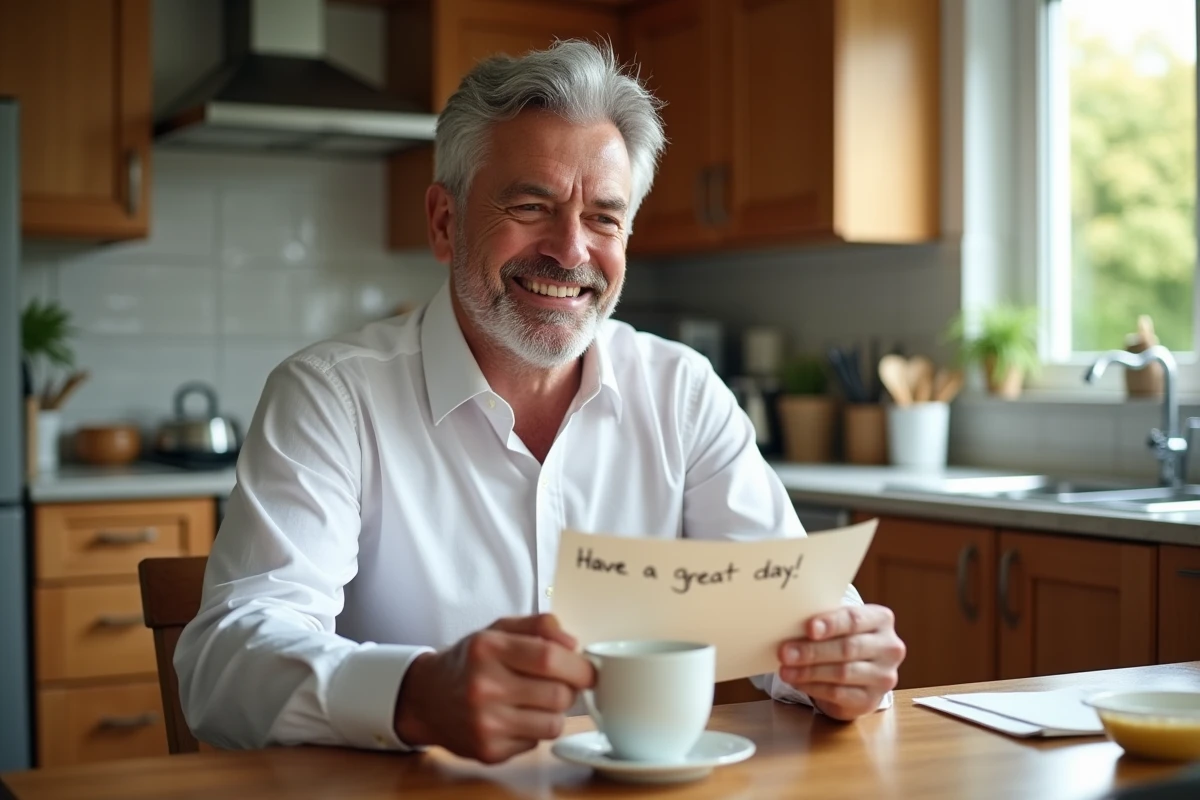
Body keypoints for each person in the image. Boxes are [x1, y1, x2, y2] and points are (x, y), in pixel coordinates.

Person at [174, 40, 906, 766]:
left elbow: (790, 619)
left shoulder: (682, 393)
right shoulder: (332, 397)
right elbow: (224, 662)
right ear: (443, 221)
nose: (570, 251)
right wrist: (417, 693)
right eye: (532, 205)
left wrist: (841, 665)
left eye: (604, 218)